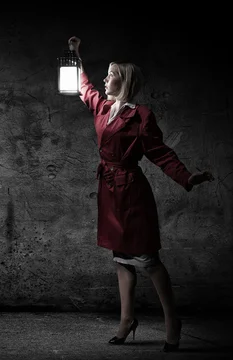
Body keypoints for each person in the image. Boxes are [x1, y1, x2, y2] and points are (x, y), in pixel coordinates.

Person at [67, 36, 214, 352]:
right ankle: (126, 320)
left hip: (132, 193)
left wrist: (188, 177)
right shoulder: (102, 107)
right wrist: (72, 55)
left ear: (125, 80)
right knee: (121, 260)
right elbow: (81, 86)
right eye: (105, 75)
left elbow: (161, 153)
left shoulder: (142, 116)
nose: (104, 79)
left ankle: (172, 321)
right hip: (108, 191)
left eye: (110, 75)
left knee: (148, 260)